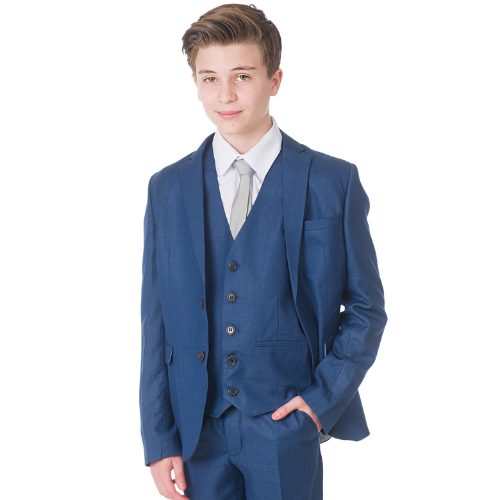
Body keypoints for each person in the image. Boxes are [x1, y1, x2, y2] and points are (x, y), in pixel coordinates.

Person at [139, 4, 387, 499]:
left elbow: (366, 309)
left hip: (285, 425)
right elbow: (156, 320)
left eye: (242, 76)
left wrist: (319, 402)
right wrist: (159, 437)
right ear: (195, 84)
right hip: (197, 430)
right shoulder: (167, 187)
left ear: (275, 80)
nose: (225, 95)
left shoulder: (332, 181)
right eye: (209, 79)